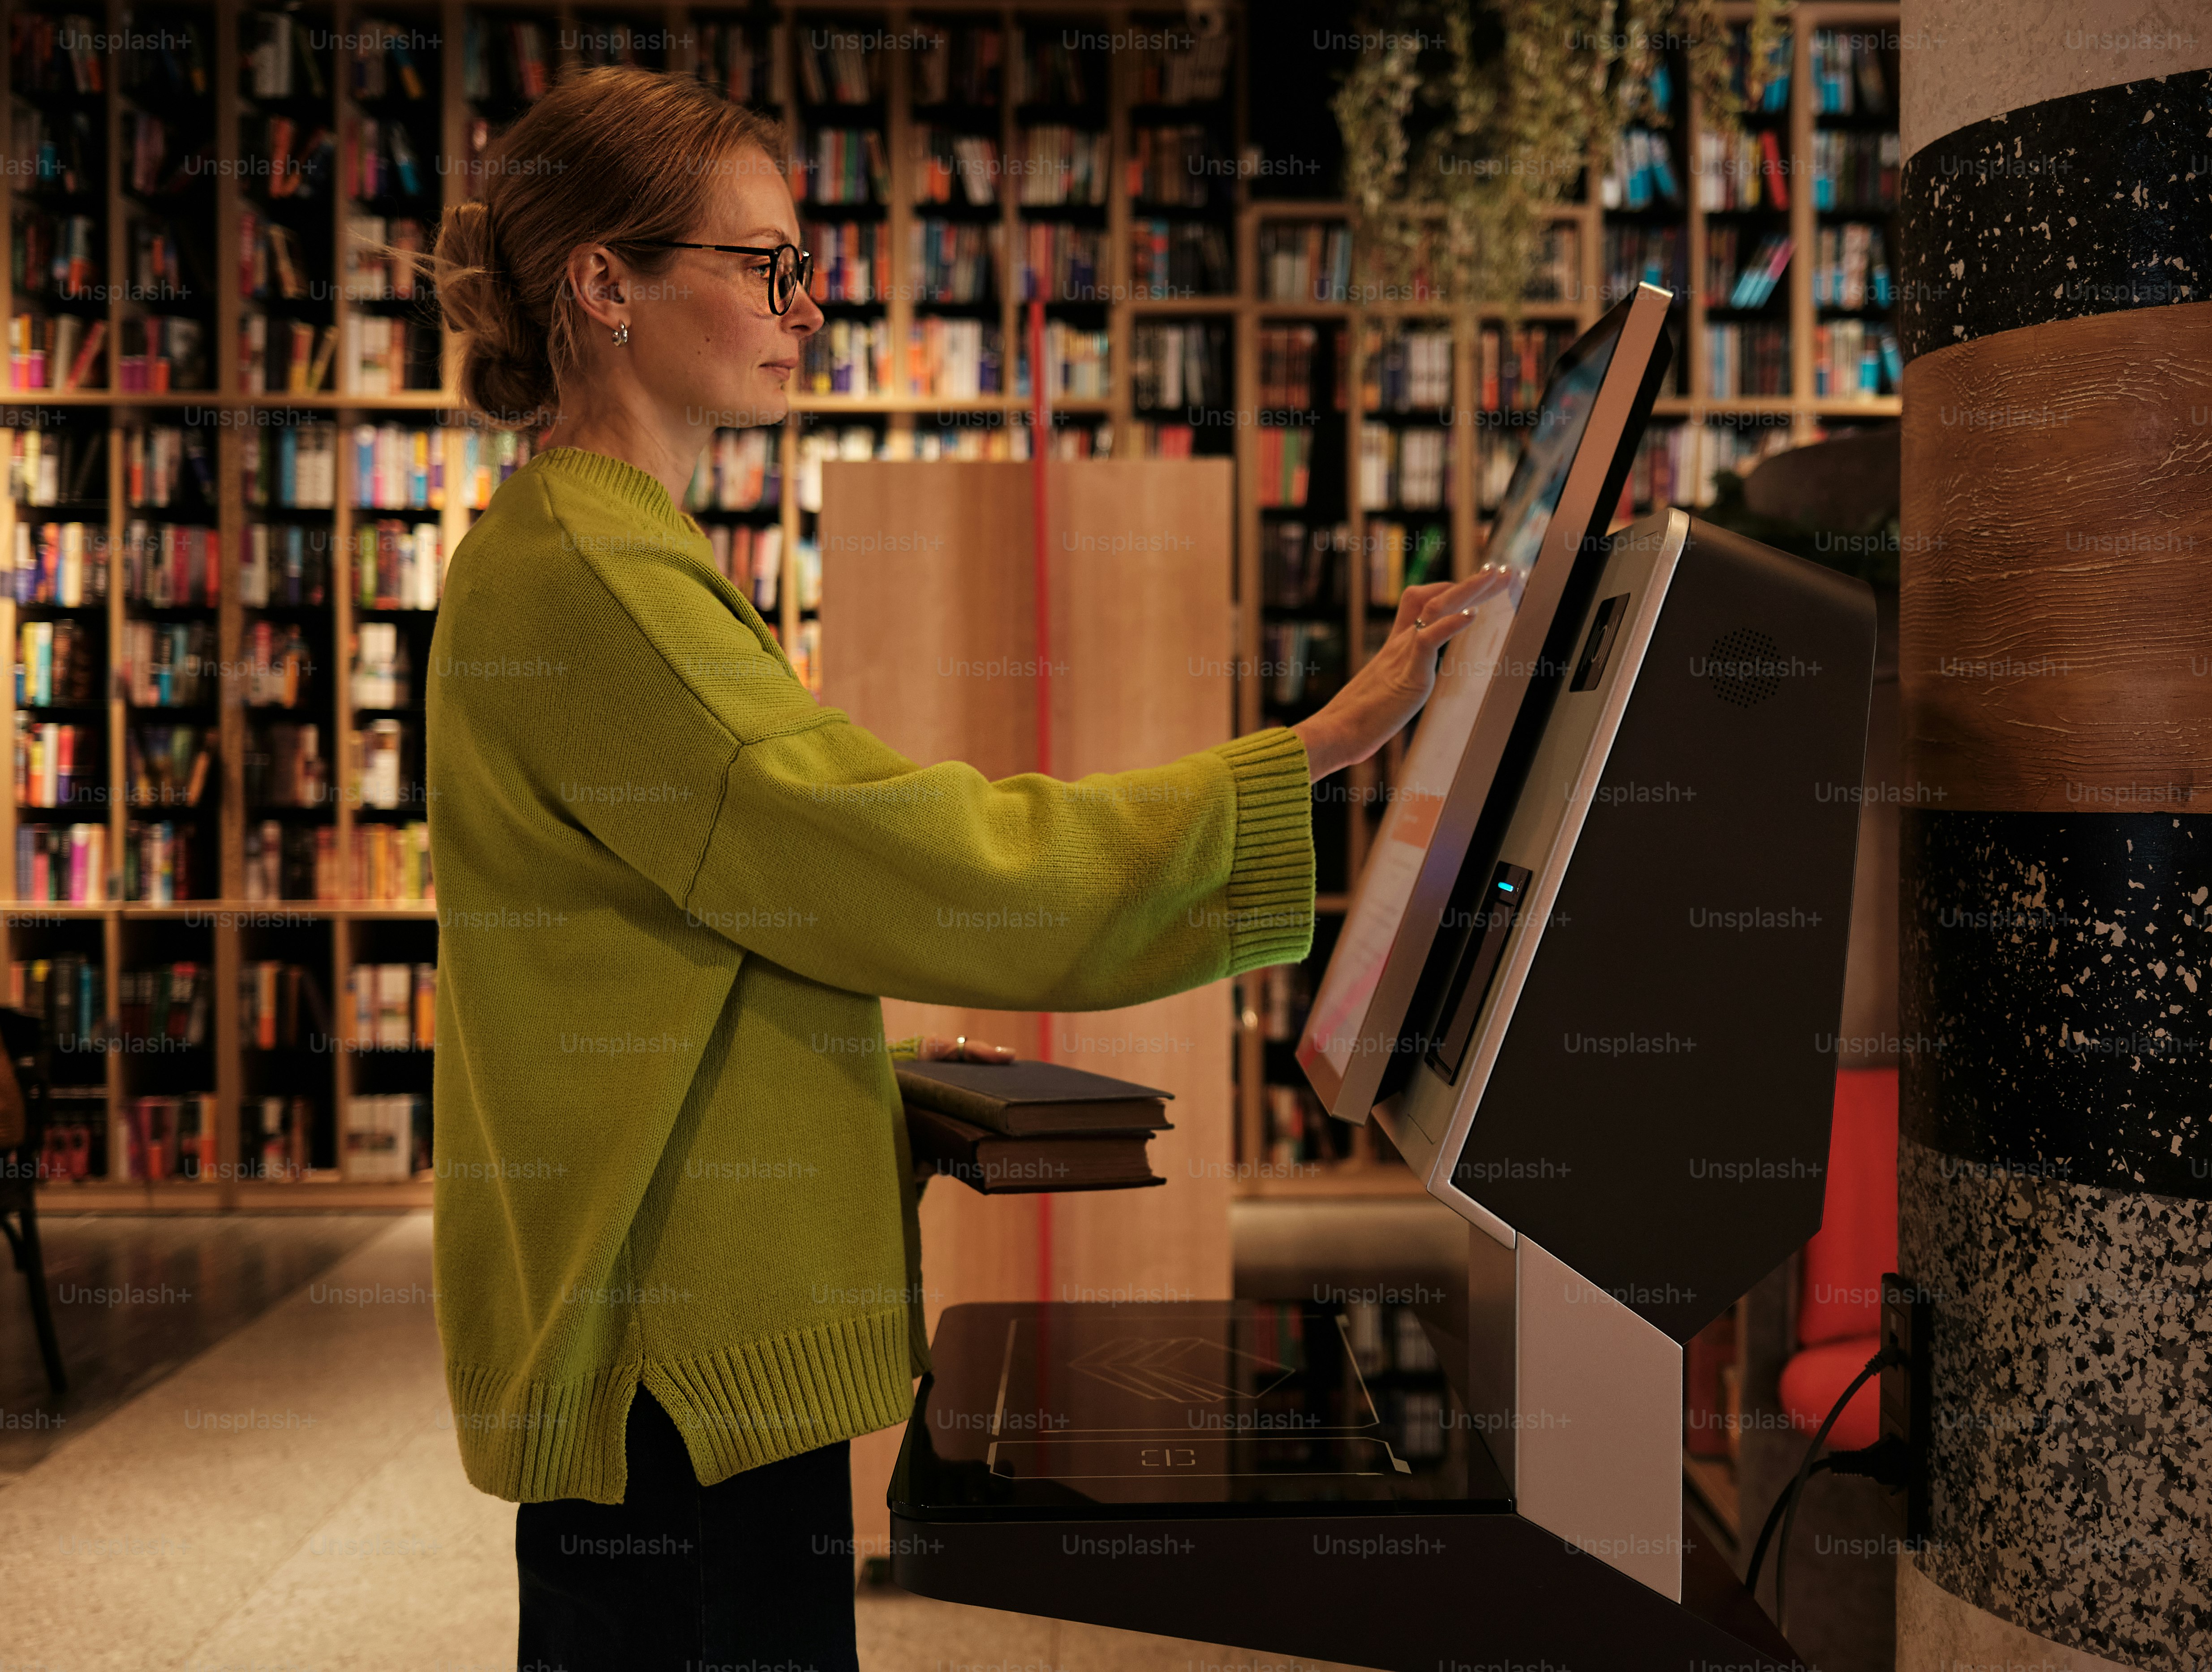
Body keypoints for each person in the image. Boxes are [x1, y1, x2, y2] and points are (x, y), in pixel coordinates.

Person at [422, 65, 1502, 1672]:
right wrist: (1307, 758)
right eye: (766, 265)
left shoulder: (596, 553)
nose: (808, 309)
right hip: (683, 1368)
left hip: (680, 1340)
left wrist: (853, 1075)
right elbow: (918, 856)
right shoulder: (596, 579)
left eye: (810, 269)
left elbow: (729, 921)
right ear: (605, 282)